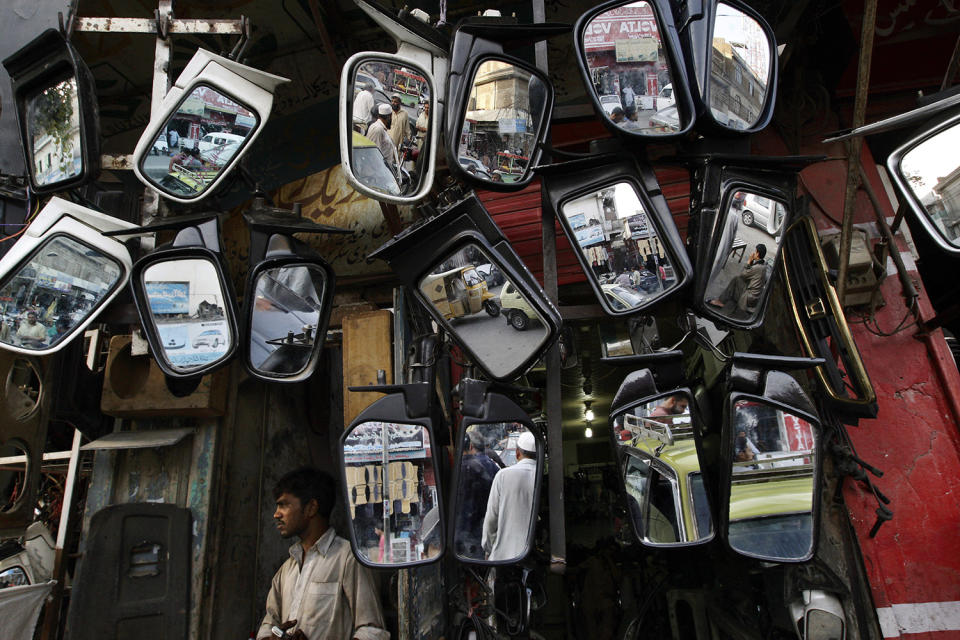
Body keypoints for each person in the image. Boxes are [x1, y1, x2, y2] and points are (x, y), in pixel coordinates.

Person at [257, 468, 388, 640]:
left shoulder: (348, 558)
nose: (276, 514)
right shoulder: (286, 571)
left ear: (311, 508)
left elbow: (372, 632)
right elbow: (267, 628)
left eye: (284, 504)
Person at [482, 431, 538, 561]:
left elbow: (491, 518)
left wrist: (488, 549)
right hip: (536, 555)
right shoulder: (543, 476)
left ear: (518, 453)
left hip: (505, 557)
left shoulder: (503, 475)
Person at [455, 429, 501, 559]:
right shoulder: (483, 467)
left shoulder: (456, 470)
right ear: (470, 446)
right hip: (481, 532)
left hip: (463, 534)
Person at [708, 244, 770, 315]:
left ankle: (720, 301)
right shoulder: (763, 266)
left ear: (757, 253)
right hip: (754, 296)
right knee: (738, 280)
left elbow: (743, 275)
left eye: (755, 251)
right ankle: (728, 297)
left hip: (749, 297)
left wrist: (749, 261)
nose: (753, 253)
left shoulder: (758, 268)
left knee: (736, 279)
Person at [366, 104, 399, 171]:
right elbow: (373, 154)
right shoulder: (377, 129)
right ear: (388, 117)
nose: (391, 120)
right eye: (391, 117)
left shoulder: (382, 129)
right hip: (378, 170)